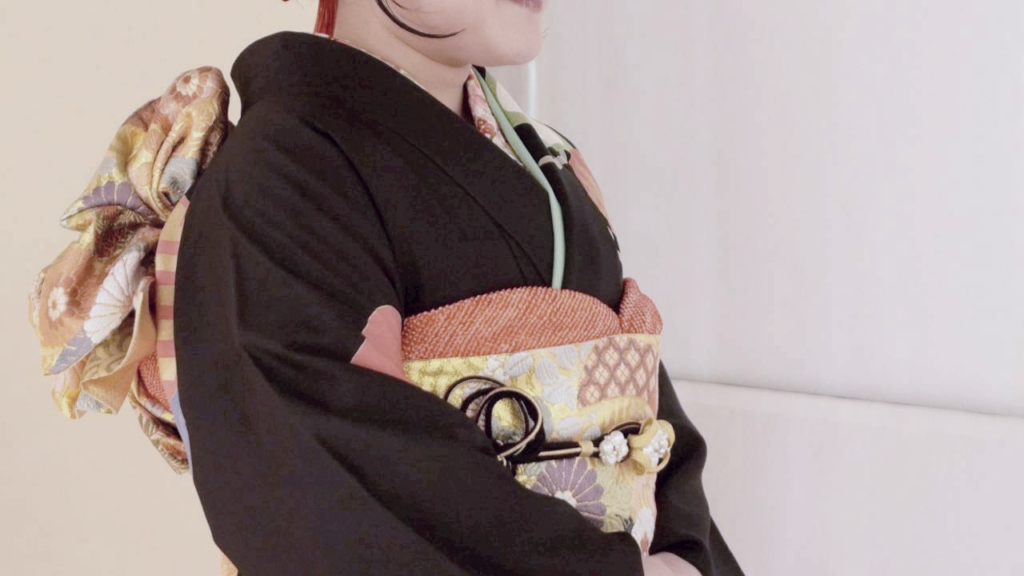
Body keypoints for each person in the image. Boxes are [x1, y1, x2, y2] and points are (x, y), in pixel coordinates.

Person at [28, 1, 744, 574]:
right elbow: (324, 488)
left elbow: (648, 420)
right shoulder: (282, 175)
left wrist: (687, 554)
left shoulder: (550, 162)